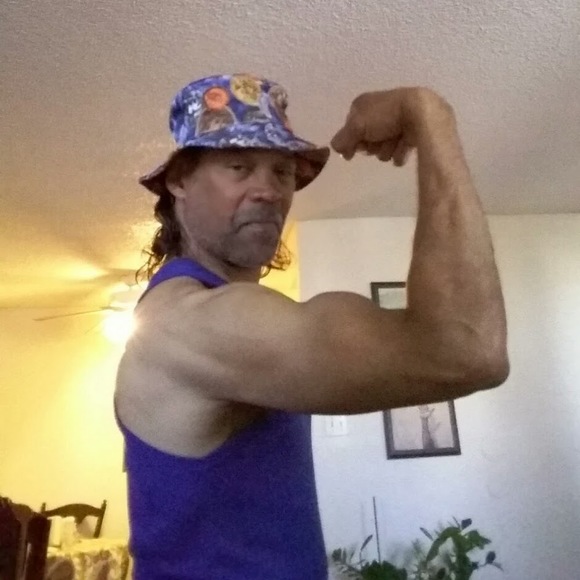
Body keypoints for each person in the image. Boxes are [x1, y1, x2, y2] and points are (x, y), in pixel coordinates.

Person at [114, 73, 509, 580]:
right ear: (179, 181)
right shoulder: (188, 323)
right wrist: (430, 114)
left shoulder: (220, 312)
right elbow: (467, 349)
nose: (269, 191)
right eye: (239, 166)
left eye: (282, 172)